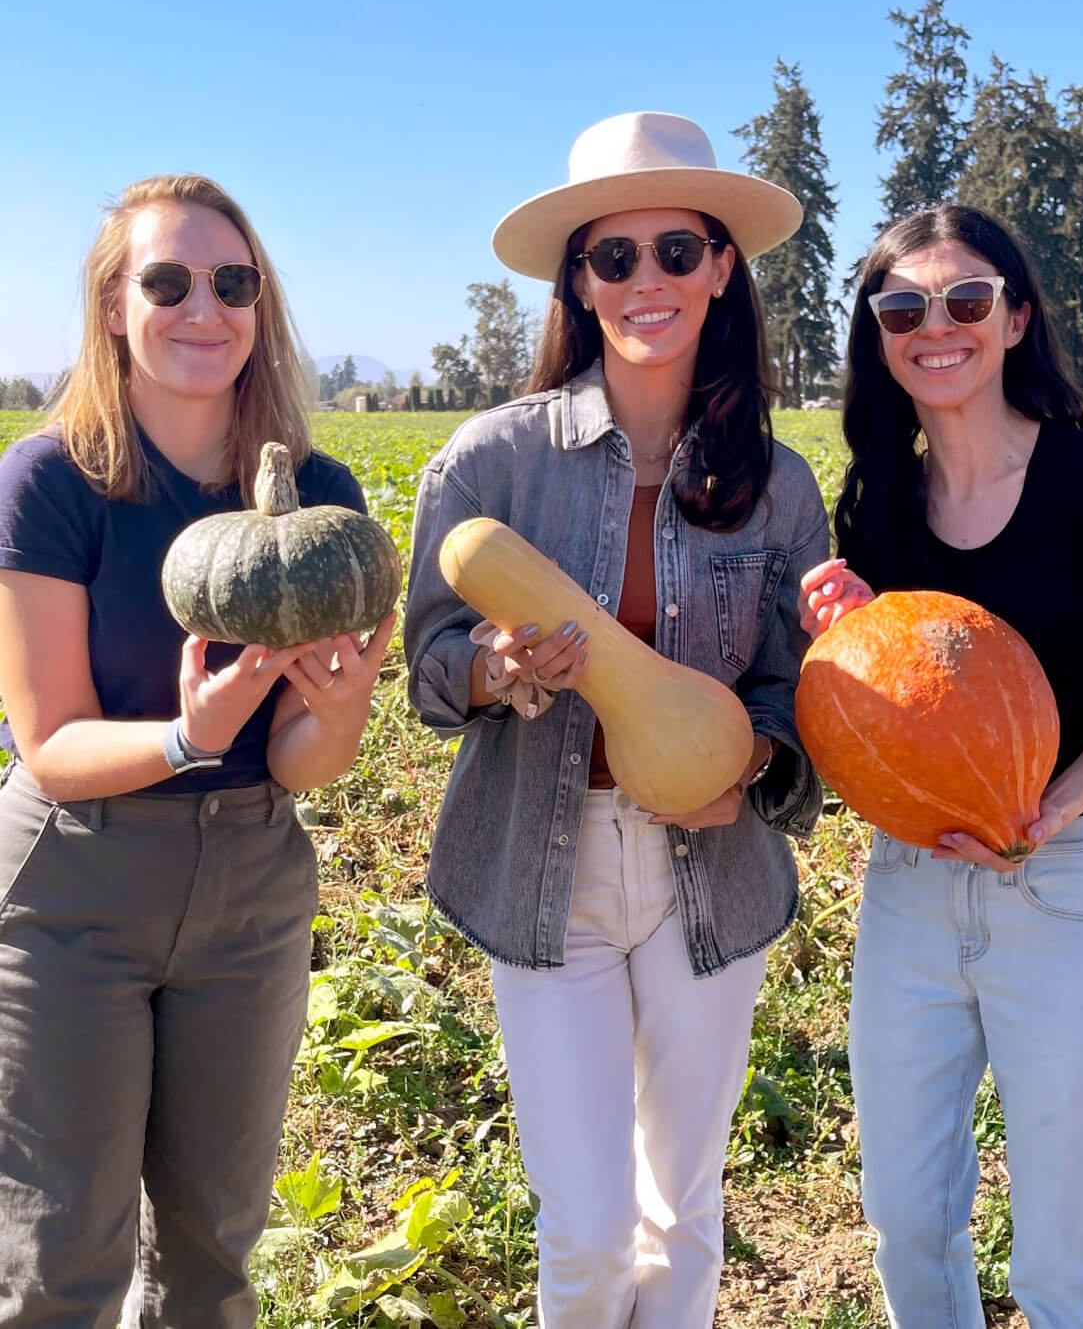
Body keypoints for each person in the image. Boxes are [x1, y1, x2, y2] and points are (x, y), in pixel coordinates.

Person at [405, 111, 829, 1329]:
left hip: (712, 863)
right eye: (616, 256)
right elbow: (426, 670)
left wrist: (750, 757)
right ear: (578, 283)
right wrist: (492, 667)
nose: (650, 280)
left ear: (720, 270)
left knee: (684, 1217)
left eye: (679, 251)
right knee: (589, 1235)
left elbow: (801, 686)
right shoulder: (488, 467)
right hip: (546, 869)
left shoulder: (779, 480)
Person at [0, 173, 396, 1326]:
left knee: (216, 1249)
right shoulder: (51, 482)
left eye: (233, 282)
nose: (202, 308)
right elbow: (50, 746)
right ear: (114, 304)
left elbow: (299, 765)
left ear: (260, 306)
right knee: (60, 1254)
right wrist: (187, 737)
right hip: (76, 878)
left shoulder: (319, 499)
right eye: (165, 281)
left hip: (250, 883)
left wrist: (343, 705)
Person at [800, 204, 1083, 1329]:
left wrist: (1049, 810)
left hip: (1067, 876)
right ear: (879, 335)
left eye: (966, 299)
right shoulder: (878, 503)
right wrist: (845, 634)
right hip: (909, 888)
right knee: (907, 1219)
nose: (936, 326)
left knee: (1064, 1255)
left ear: (1016, 317)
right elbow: (887, 710)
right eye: (902, 308)